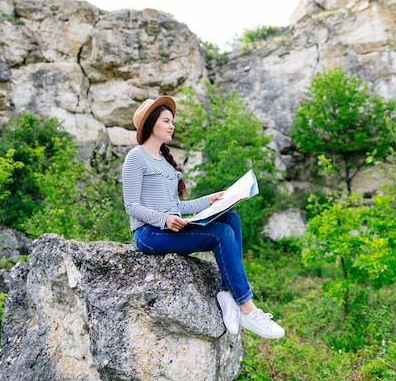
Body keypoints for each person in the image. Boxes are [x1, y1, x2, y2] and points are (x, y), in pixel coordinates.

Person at [121, 95, 284, 339]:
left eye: (172, 121)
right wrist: (164, 220)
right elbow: (131, 205)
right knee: (221, 233)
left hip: (168, 230)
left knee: (231, 221)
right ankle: (247, 309)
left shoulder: (165, 163)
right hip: (149, 234)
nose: (172, 125)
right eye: (166, 120)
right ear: (151, 123)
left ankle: (228, 295)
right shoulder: (136, 157)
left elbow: (175, 205)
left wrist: (210, 200)